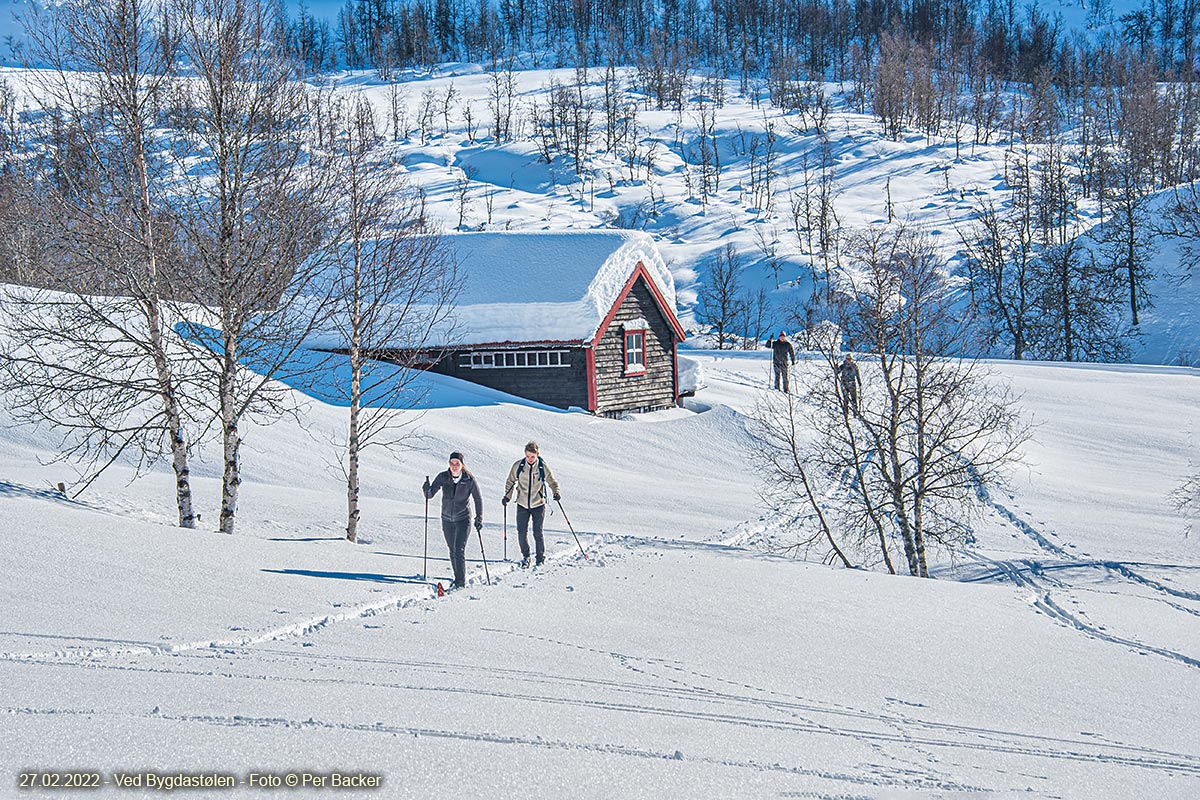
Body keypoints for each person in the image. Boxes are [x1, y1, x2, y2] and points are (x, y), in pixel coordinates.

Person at [423, 452, 483, 589]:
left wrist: (479, 518)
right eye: (452, 463)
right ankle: (457, 577)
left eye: (457, 463)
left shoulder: (469, 480)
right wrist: (426, 488)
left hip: (463, 519)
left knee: (459, 549)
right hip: (446, 519)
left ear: (462, 465)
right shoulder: (443, 477)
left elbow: (478, 499)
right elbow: (430, 494)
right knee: (452, 549)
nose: (454, 466)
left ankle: (460, 582)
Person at [501, 441, 561, 568]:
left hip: (538, 504)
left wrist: (556, 492)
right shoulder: (519, 466)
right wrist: (507, 496)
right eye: (528, 456)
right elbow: (510, 481)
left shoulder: (542, 467)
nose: (530, 459)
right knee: (521, 532)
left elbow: (552, 481)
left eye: (532, 456)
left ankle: (540, 558)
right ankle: (526, 556)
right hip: (522, 504)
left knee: (537, 532)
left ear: (537, 455)